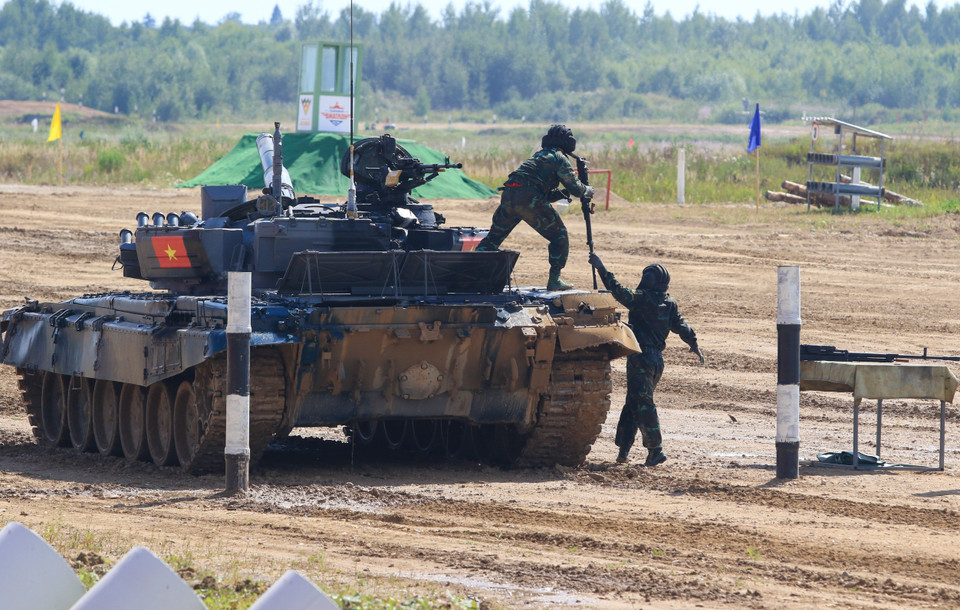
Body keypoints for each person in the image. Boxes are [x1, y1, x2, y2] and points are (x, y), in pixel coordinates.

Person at [588, 253, 704, 466]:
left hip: (640, 359)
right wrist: (694, 344)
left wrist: (602, 268)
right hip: (656, 361)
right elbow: (682, 327)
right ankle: (623, 451)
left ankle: (655, 450)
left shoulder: (642, 299)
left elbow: (618, 291)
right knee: (633, 403)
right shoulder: (669, 304)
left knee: (643, 404)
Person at [475, 124, 595, 291]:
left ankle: (471, 271)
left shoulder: (539, 156)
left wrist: (562, 193)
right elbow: (577, 189)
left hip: (510, 195)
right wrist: (588, 190)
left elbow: (540, 191)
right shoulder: (560, 158)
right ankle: (555, 279)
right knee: (559, 235)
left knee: (493, 239)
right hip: (528, 197)